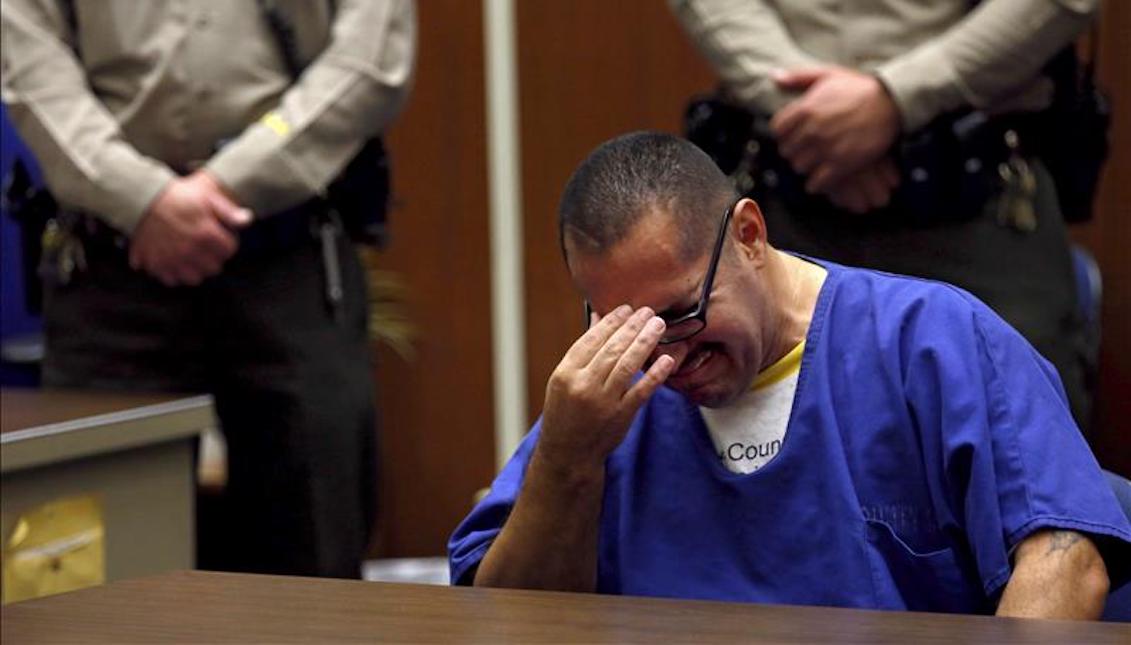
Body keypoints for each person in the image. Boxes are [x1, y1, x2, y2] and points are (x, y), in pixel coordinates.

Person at [449, 132, 1131, 618]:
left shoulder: (930, 340)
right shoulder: (603, 398)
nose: (668, 354)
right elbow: (505, 618)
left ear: (747, 235)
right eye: (623, 322)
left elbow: (1065, 563)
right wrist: (567, 460)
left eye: (682, 312)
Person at [1, 0, 416, 577]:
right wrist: (142, 200)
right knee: (86, 569)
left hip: (288, 255)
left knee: (315, 556)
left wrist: (225, 185)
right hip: (109, 272)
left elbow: (368, 61)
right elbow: (32, 72)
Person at [667, 0, 1101, 433]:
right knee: (758, 465)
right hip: (785, 200)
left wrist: (895, 98)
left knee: (1023, 443)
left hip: (978, 205)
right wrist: (816, 118)